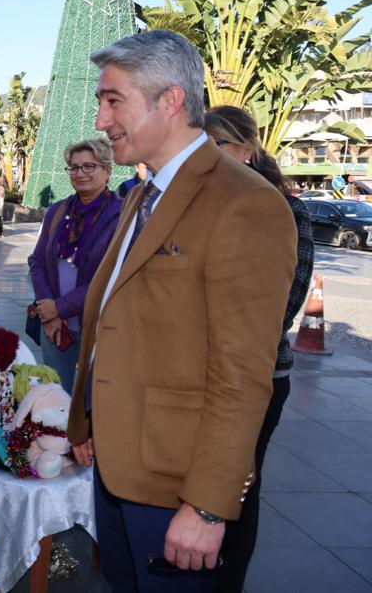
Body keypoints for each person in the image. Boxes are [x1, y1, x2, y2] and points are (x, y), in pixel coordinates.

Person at [67, 30, 297, 592]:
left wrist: (209, 506)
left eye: (113, 100)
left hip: (175, 485)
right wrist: (91, 419)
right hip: (118, 462)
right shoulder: (145, 193)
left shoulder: (245, 203)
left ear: (170, 101)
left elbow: (242, 375)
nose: (101, 119)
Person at [204, 106, 314, 593]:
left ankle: (228, 583)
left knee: (239, 486)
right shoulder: (201, 204)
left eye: (217, 146)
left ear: (246, 151)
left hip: (259, 375)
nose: (207, 158)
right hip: (198, 374)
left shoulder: (285, 208)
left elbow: (285, 303)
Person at [29, 138, 122, 393]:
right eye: (74, 167)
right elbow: (37, 261)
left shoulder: (121, 216)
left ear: (107, 170)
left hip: (96, 326)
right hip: (55, 328)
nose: (80, 173)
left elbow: (109, 276)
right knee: (57, 399)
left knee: (93, 404)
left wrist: (59, 307)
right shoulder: (58, 211)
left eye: (89, 166)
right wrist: (48, 310)